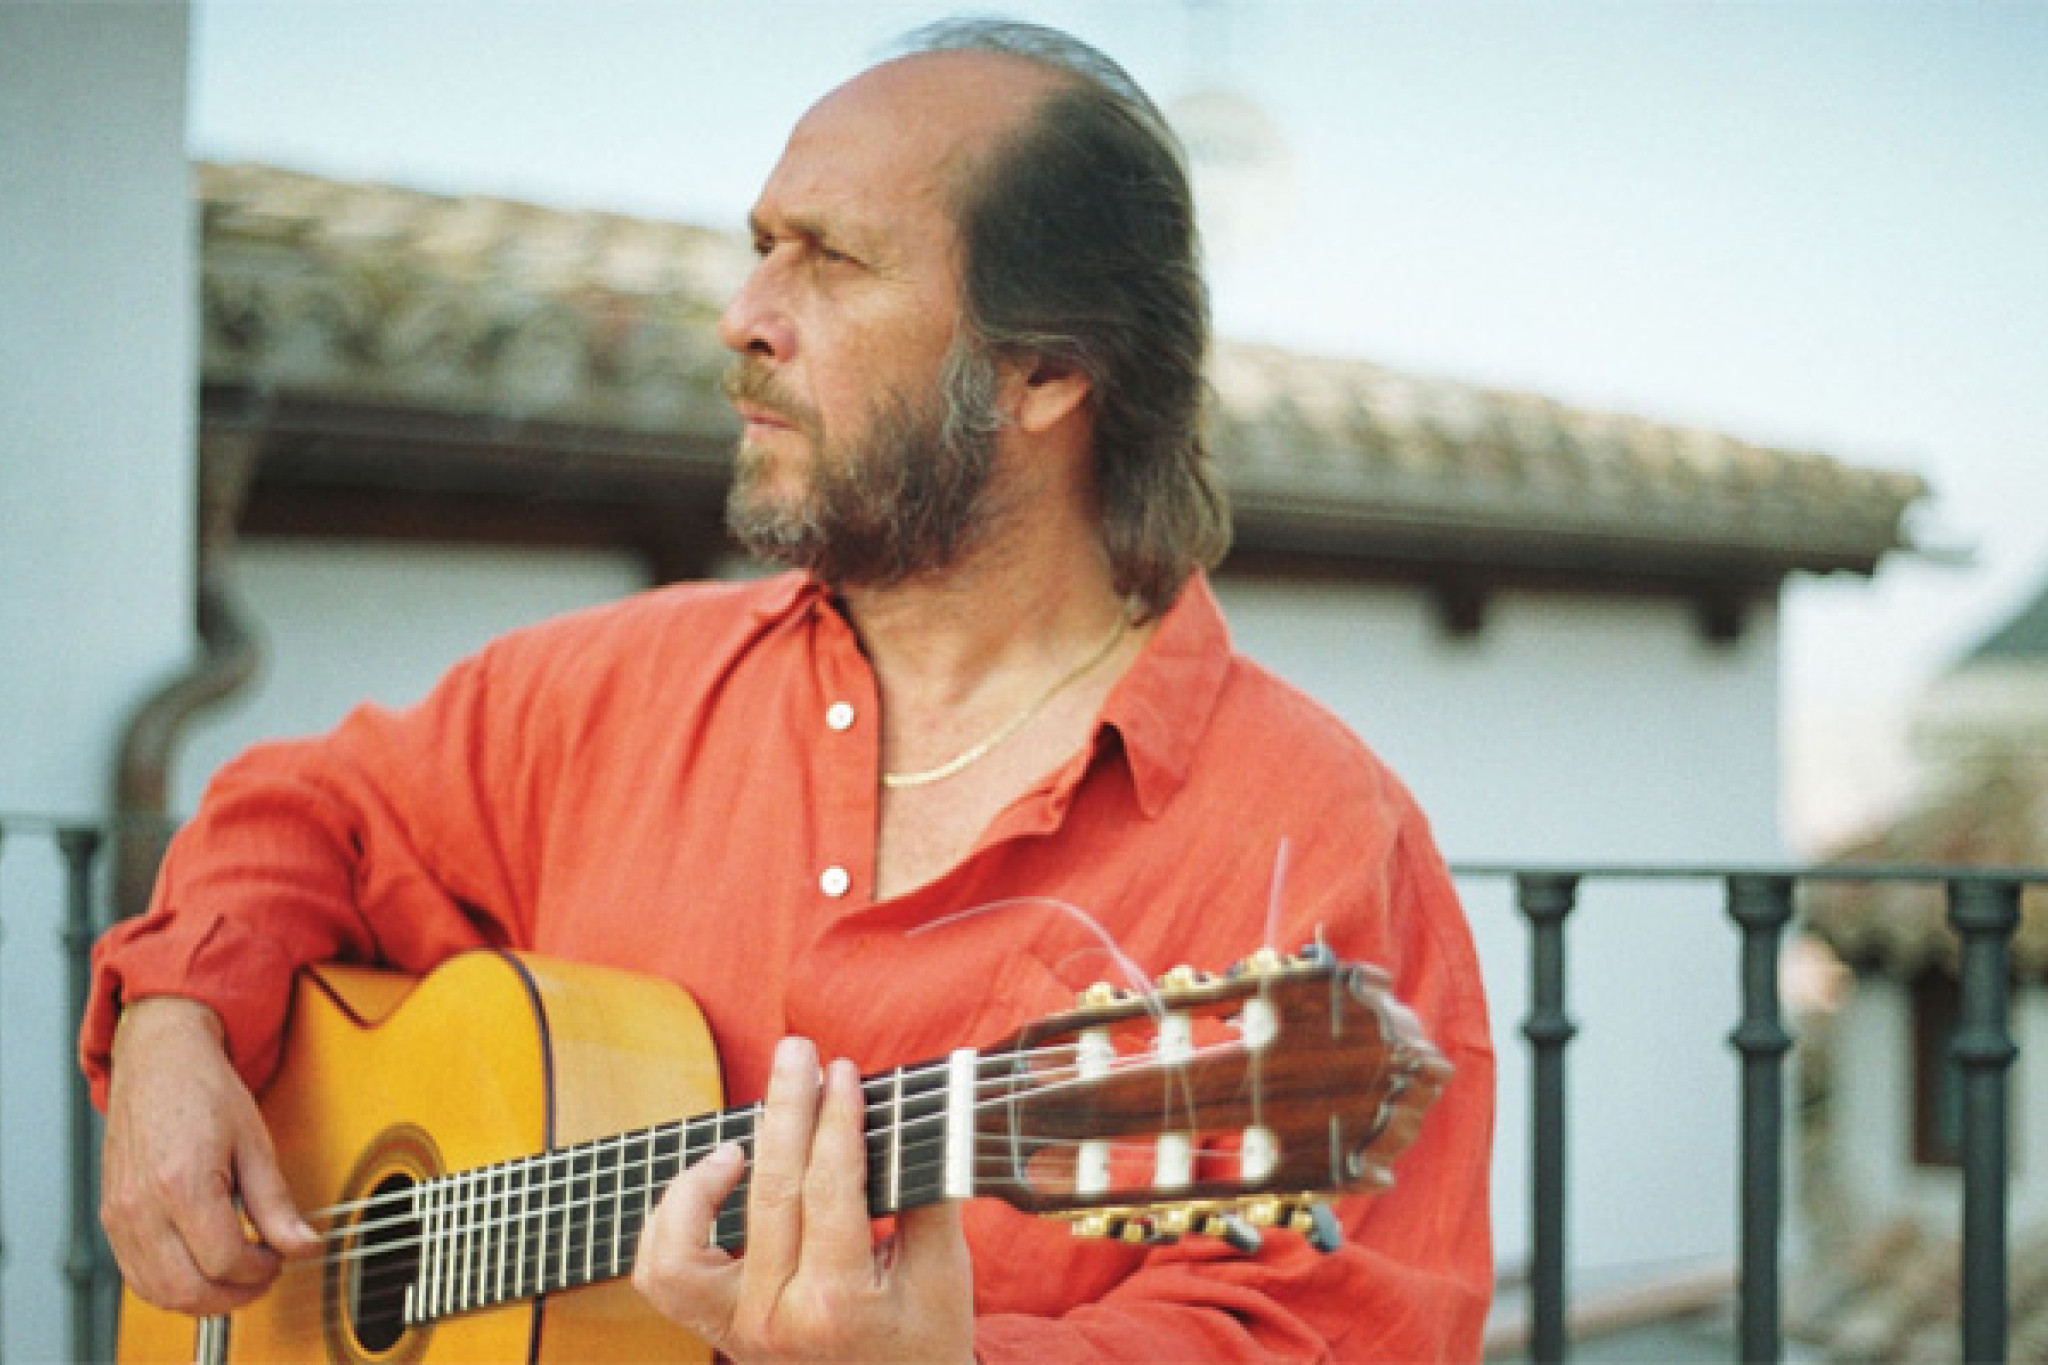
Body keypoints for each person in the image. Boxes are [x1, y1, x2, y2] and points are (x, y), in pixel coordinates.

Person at [82, 18, 1494, 1362]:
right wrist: (173, 1023)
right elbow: (304, 808)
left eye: (830, 261)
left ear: (1050, 369)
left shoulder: (1315, 843)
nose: (741, 318)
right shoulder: (609, 688)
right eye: (762, 248)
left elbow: (1330, 1333)